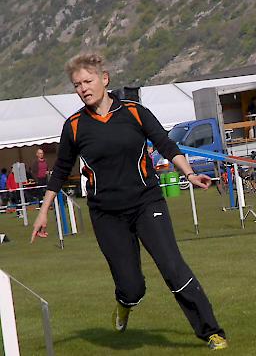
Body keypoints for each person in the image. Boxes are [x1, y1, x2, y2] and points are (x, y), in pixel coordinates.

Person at [30, 53, 228, 351]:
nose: (83, 88)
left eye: (88, 81)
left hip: (147, 203)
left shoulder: (136, 112)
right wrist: (43, 212)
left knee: (174, 269)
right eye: (77, 85)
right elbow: (59, 172)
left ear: (104, 79)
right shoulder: (74, 126)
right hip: (106, 214)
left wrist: (188, 173)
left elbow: (165, 143)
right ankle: (125, 305)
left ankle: (211, 332)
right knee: (132, 287)